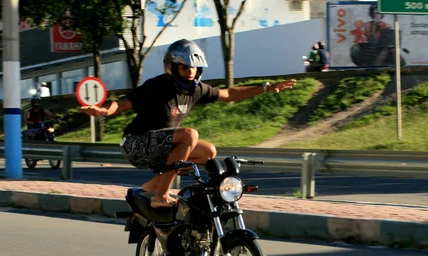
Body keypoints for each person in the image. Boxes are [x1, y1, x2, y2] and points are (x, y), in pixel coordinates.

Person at [80, 39, 296, 208]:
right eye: (185, 67)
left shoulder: (197, 89)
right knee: (189, 135)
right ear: (173, 67)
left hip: (161, 146)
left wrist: (266, 88)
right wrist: (104, 111)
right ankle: (161, 196)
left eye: (195, 68)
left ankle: (150, 188)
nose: (191, 72)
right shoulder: (158, 86)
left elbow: (229, 93)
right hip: (135, 144)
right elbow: (124, 104)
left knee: (207, 152)